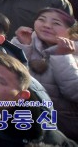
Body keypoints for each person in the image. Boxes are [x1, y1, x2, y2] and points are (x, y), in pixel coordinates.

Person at [10, 7, 78, 137]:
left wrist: (62, 56)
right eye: (42, 20)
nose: (47, 25)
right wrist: (24, 47)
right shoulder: (23, 41)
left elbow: (74, 93)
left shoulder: (74, 53)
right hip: (22, 119)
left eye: (56, 23)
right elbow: (11, 81)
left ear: (71, 32)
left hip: (63, 126)